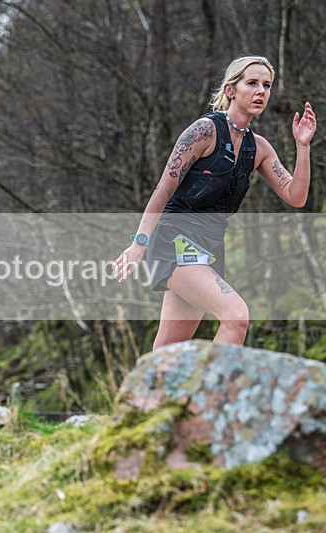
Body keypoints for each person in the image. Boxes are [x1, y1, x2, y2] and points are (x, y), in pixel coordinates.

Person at [113, 55, 317, 349]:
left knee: (167, 351)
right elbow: (163, 189)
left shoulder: (258, 148)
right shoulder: (204, 132)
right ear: (230, 89)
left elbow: (296, 196)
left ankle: (145, 395)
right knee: (236, 317)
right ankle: (214, 393)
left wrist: (303, 146)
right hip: (176, 239)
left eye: (267, 85)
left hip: (209, 246)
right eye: (252, 83)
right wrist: (138, 244)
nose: (261, 91)